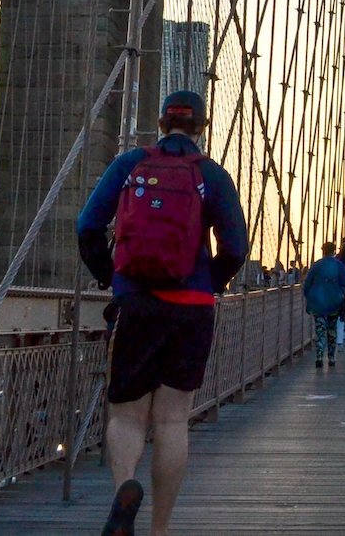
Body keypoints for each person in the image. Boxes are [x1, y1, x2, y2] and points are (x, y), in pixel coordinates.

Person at [77, 91, 247, 536]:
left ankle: (125, 489)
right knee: (172, 420)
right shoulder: (212, 175)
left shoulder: (131, 164)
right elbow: (237, 247)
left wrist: (108, 275)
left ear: (159, 122)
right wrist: (211, 282)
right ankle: (160, 530)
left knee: (127, 415)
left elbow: (87, 226)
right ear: (202, 128)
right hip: (191, 309)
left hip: (136, 303)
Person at [302, 240, 345, 367]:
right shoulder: (339, 266)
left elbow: (307, 285)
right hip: (334, 303)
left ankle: (319, 355)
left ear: (322, 251)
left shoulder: (316, 265)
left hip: (318, 303)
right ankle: (331, 357)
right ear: (334, 251)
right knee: (332, 329)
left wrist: (309, 298)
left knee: (320, 329)